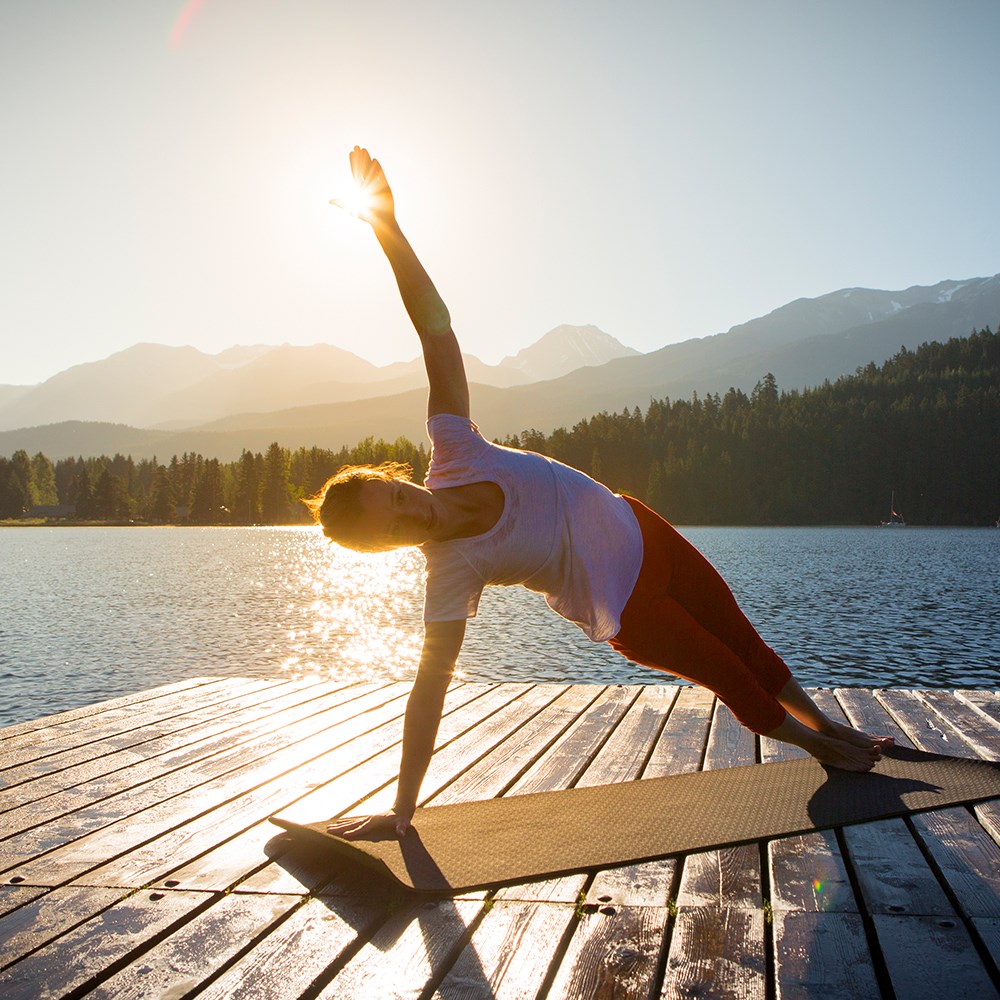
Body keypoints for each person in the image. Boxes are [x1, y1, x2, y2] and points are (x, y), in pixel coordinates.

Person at [312, 147, 892, 841]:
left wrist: (388, 228)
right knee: (728, 677)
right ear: (389, 546)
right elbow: (427, 692)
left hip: (645, 530)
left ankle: (826, 725)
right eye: (396, 525)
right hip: (627, 605)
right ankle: (826, 752)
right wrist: (403, 809)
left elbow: (434, 328)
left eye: (397, 495)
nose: (414, 511)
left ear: (395, 479)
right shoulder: (452, 571)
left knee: (746, 643)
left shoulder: (455, 449)